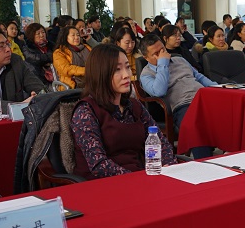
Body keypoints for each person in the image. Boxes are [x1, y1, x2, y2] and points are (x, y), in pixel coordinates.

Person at [71, 44, 176, 178]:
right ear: (100, 73)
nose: (127, 75)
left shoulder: (134, 106)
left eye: (127, 67)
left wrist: (169, 167)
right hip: (102, 183)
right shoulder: (85, 111)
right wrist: (138, 178)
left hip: (140, 177)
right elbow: (98, 165)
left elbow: (160, 142)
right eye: (117, 70)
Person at [139, 33, 217, 158]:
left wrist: (218, 88)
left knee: (232, 112)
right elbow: (159, 91)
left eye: (162, 50)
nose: (162, 54)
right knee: (195, 126)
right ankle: (204, 162)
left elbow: (199, 77)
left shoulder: (180, 60)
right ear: (146, 57)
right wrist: (163, 63)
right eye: (156, 54)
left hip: (204, 98)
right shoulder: (146, 75)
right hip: (183, 105)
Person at [52, 25, 92, 89]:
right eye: (73, 35)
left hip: (91, 81)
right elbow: (66, 69)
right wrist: (86, 70)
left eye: (78, 35)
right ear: (65, 37)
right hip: (72, 86)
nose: (76, 37)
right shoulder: (59, 52)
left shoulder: (87, 47)